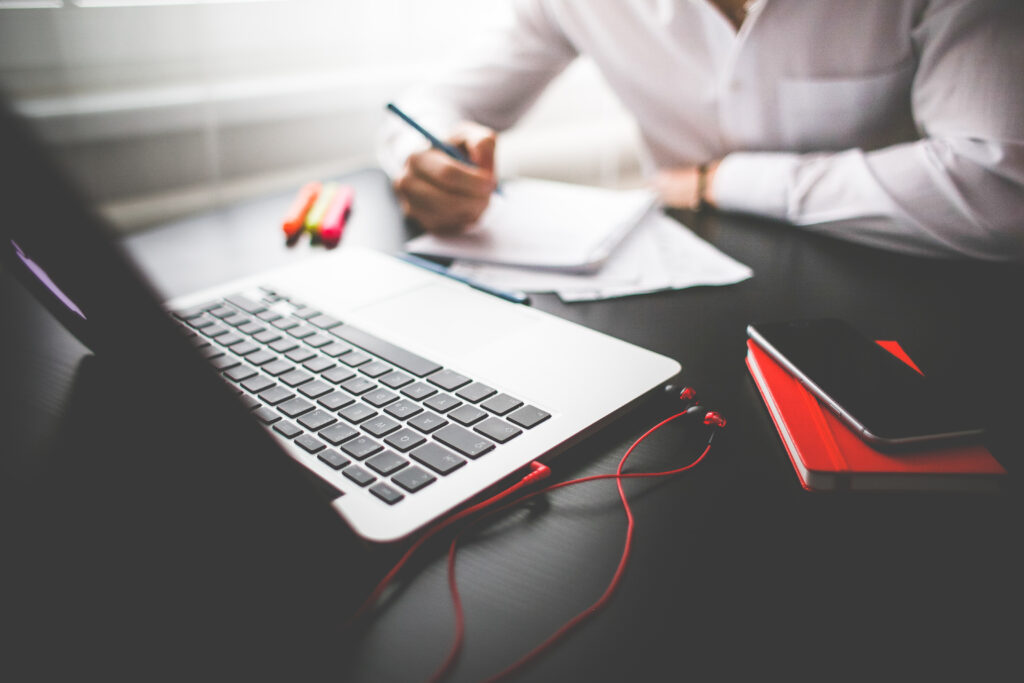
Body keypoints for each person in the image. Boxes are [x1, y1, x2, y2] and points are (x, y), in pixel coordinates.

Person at [379, 0, 1024, 260]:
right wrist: (423, 159)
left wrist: (723, 181)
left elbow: (997, 183)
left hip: (901, 285)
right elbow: (428, 106)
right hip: (679, 292)